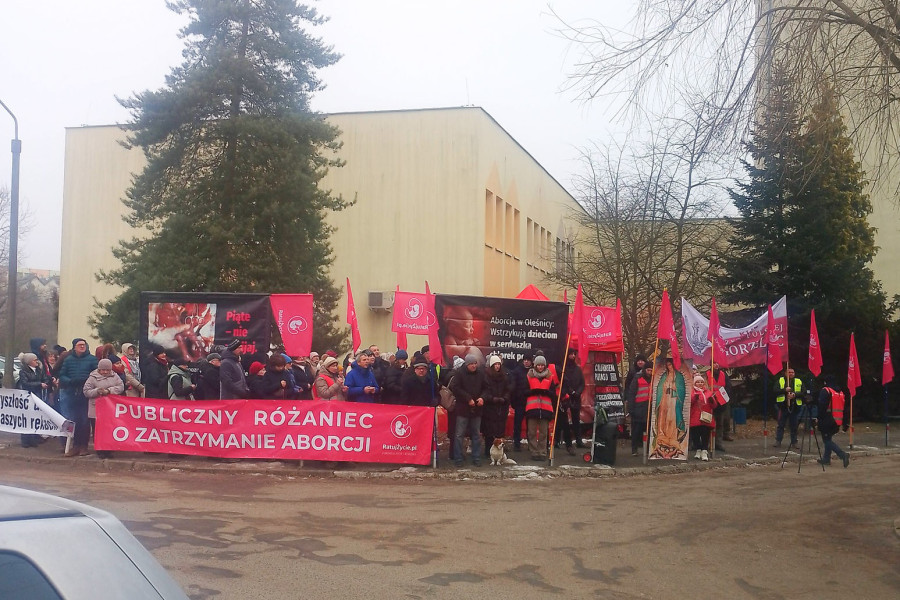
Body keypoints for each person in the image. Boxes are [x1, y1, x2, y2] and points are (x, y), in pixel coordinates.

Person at [58, 338, 99, 457]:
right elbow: (62, 374)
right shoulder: (68, 359)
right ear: (74, 347)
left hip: (86, 393)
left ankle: (83, 446)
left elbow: (96, 374)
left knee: (85, 421)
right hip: (72, 392)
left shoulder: (92, 359)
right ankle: (75, 445)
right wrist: (70, 381)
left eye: (84, 344)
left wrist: (86, 382)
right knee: (73, 420)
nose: (82, 346)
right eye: (79, 345)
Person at [449, 353, 487, 467]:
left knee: (476, 434)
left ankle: (476, 457)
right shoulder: (459, 373)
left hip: (477, 409)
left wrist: (482, 398)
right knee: (459, 434)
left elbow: (486, 388)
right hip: (463, 409)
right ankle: (458, 458)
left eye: (475, 363)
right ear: (467, 364)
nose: (474, 366)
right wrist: (468, 398)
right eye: (471, 364)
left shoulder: (481, 374)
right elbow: (455, 388)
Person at [83, 358, 125, 458]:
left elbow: (121, 387)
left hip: (110, 408)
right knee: (97, 430)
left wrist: (109, 391)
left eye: (107, 370)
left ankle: (108, 449)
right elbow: (86, 391)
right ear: (99, 369)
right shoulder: (92, 378)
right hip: (96, 408)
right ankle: (100, 449)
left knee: (109, 429)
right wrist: (97, 391)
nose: (105, 372)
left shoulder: (115, 376)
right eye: (103, 370)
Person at [650, 358, 686, 459]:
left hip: (674, 399)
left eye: (670, 364)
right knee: (663, 417)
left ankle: (672, 436)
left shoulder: (678, 376)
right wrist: (664, 387)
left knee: (672, 417)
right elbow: (659, 388)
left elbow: (682, 388)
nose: (669, 367)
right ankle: (662, 435)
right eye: (667, 365)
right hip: (664, 399)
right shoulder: (664, 376)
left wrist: (675, 388)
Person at [524, 355, 558, 462]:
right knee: (532, 432)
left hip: (545, 408)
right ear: (535, 365)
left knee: (544, 432)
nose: (540, 367)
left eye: (542, 365)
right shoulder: (529, 376)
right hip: (532, 407)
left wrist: (547, 392)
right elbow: (523, 391)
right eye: (538, 365)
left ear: (545, 365)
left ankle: (542, 452)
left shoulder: (550, 376)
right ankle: (534, 452)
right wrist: (533, 392)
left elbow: (554, 393)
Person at [16, 352, 51, 448]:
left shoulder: (39, 370)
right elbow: (25, 383)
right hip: (28, 396)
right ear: (29, 362)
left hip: (38, 395)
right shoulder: (23, 371)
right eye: (34, 360)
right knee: (27, 417)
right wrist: (40, 384)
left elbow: (45, 378)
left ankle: (34, 437)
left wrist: (46, 382)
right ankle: (25, 439)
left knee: (35, 417)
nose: (37, 361)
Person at [816, 375, 850, 468]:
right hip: (837, 420)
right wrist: (845, 423)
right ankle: (826, 459)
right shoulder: (840, 392)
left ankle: (842, 455)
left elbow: (822, 407)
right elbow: (845, 408)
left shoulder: (826, 391)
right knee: (828, 438)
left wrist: (818, 418)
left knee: (826, 440)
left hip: (827, 419)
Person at [481, 355, 512, 455]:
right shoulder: (486, 377)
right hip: (490, 407)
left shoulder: (504, 376)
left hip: (502, 406)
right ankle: (488, 451)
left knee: (500, 430)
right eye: (495, 364)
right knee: (489, 431)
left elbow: (508, 389)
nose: (497, 366)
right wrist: (491, 398)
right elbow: (485, 390)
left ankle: (499, 451)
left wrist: (505, 398)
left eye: (499, 364)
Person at [557, 347, 586, 452]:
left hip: (576, 398)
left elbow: (582, 383)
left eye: (574, 354)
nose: (573, 356)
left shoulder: (578, 369)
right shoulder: (563, 368)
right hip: (565, 397)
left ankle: (578, 440)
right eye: (571, 354)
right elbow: (563, 382)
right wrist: (570, 391)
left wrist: (577, 392)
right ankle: (558, 441)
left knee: (576, 420)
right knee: (562, 420)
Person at [625, 364, 652, 456]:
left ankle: (648, 450)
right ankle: (634, 449)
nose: (650, 372)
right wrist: (631, 409)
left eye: (651, 370)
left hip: (649, 408)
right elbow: (632, 394)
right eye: (648, 370)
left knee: (649, 431)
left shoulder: (654, 380)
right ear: (644, 370)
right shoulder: (637, 379)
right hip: (638, 408)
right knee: (636, 430)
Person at [775, 367, 804, 449]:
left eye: (792, 372)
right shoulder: (780, 380)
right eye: (789, 372)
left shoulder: (798, 381)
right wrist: (785, 390)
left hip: (794, 407)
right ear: (785, 373)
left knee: (794, 425)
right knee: (781, 425)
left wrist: (794, 394)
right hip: (783, 407)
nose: (791, 374)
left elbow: (803, 392)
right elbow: (775, 390)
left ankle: (794, 442)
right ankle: (778, 441)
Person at [509, 352, 533, 451]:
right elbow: (513, 388)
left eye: (528, 360)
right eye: (525, 360)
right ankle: (517, 443)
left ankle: (531, 444)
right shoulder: (517, 371)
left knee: (530, 424)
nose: (526, 362)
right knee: (517, 424)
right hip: (519, 402)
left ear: (531, 361)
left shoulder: (533, 371)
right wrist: (514, 401)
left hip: (531, 402)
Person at [689, 374, 715, 461]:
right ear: (694, 383)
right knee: (695, 435)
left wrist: (712, 401)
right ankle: (698, 450)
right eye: (698, 382)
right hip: (694, 417)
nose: (700, 384)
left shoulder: (708, 392)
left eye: (701, 382)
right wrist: (694, 398)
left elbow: (713, 406)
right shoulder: (691, 392)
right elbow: (688, 404)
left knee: (705, 434)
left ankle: (704, 451)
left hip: (705, 416)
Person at [709, 362, 734, 451]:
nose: (716, 365)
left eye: (717, 363)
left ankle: (718, 443)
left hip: (721, 403)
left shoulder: (724, 375)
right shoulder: (707, 374)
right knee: (709, 424)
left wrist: (721, 396)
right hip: (710, 403)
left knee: (720, 424)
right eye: (714, 363)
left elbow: (728, 387)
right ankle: (709, 443)